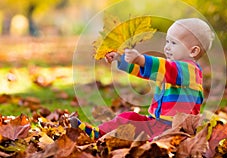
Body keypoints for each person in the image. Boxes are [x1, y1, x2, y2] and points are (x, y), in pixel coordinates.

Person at [70, 18, 215, 140]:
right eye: (167, 41)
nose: (167, 47)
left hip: (176, 130)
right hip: (155, 122)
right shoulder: (168, 69)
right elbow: (145, 71)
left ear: (193, 51)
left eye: (174, 43)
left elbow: (161, 66)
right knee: (128, 117)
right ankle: (98, 133)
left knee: (152, 142)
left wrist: (141, 59)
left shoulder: (191, 71)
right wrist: (121, 60)